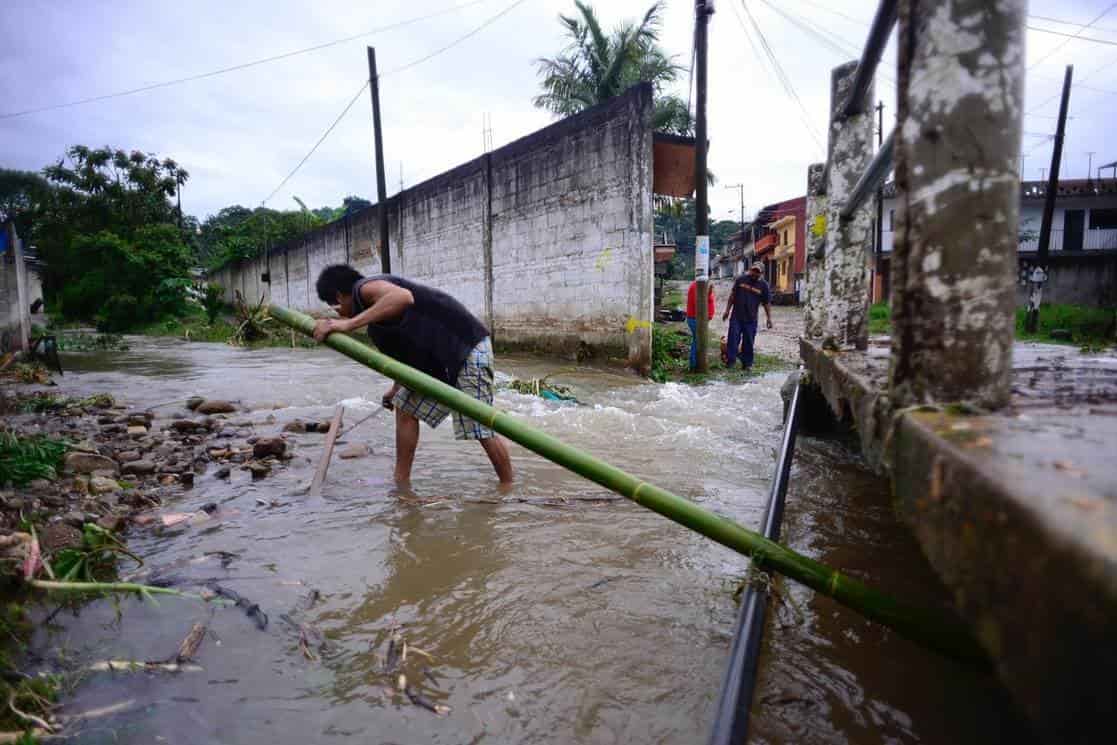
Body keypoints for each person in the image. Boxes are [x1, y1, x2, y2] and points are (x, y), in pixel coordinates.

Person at [311, 264, 513, 487]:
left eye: (336, 307)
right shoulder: (375, 325)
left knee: (478, 425)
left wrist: (348, 324)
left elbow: (403, 297)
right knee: (405, 407)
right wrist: (395, 388)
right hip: (439, 361)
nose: (339, 313)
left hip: (466, 348)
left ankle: (507, 486)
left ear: (340, 295)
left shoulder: (364, 289)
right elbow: (406, 355)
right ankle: (401, 482)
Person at [722, 262, 773, 371]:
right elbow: (732, 296)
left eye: (757, 272)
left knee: (748, 342)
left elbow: (766, 303)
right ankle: (730, 361)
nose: (754, 273)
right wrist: (727, 311)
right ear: (750, 269)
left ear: (761, 273)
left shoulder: (764, 286)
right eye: (753, 270)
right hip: (736, 316)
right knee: (733, 339)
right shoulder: (741, 279)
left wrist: (769, 318)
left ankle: (747, 364)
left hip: (751, 319)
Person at [685, 279, 715, 370]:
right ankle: (694, 365)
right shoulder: (697, 286)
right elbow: (698, 303)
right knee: (698, 341)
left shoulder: (701, 286)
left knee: (697, 340)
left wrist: (709, 293)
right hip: (695, 319)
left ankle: (695, 364)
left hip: (698, 319)